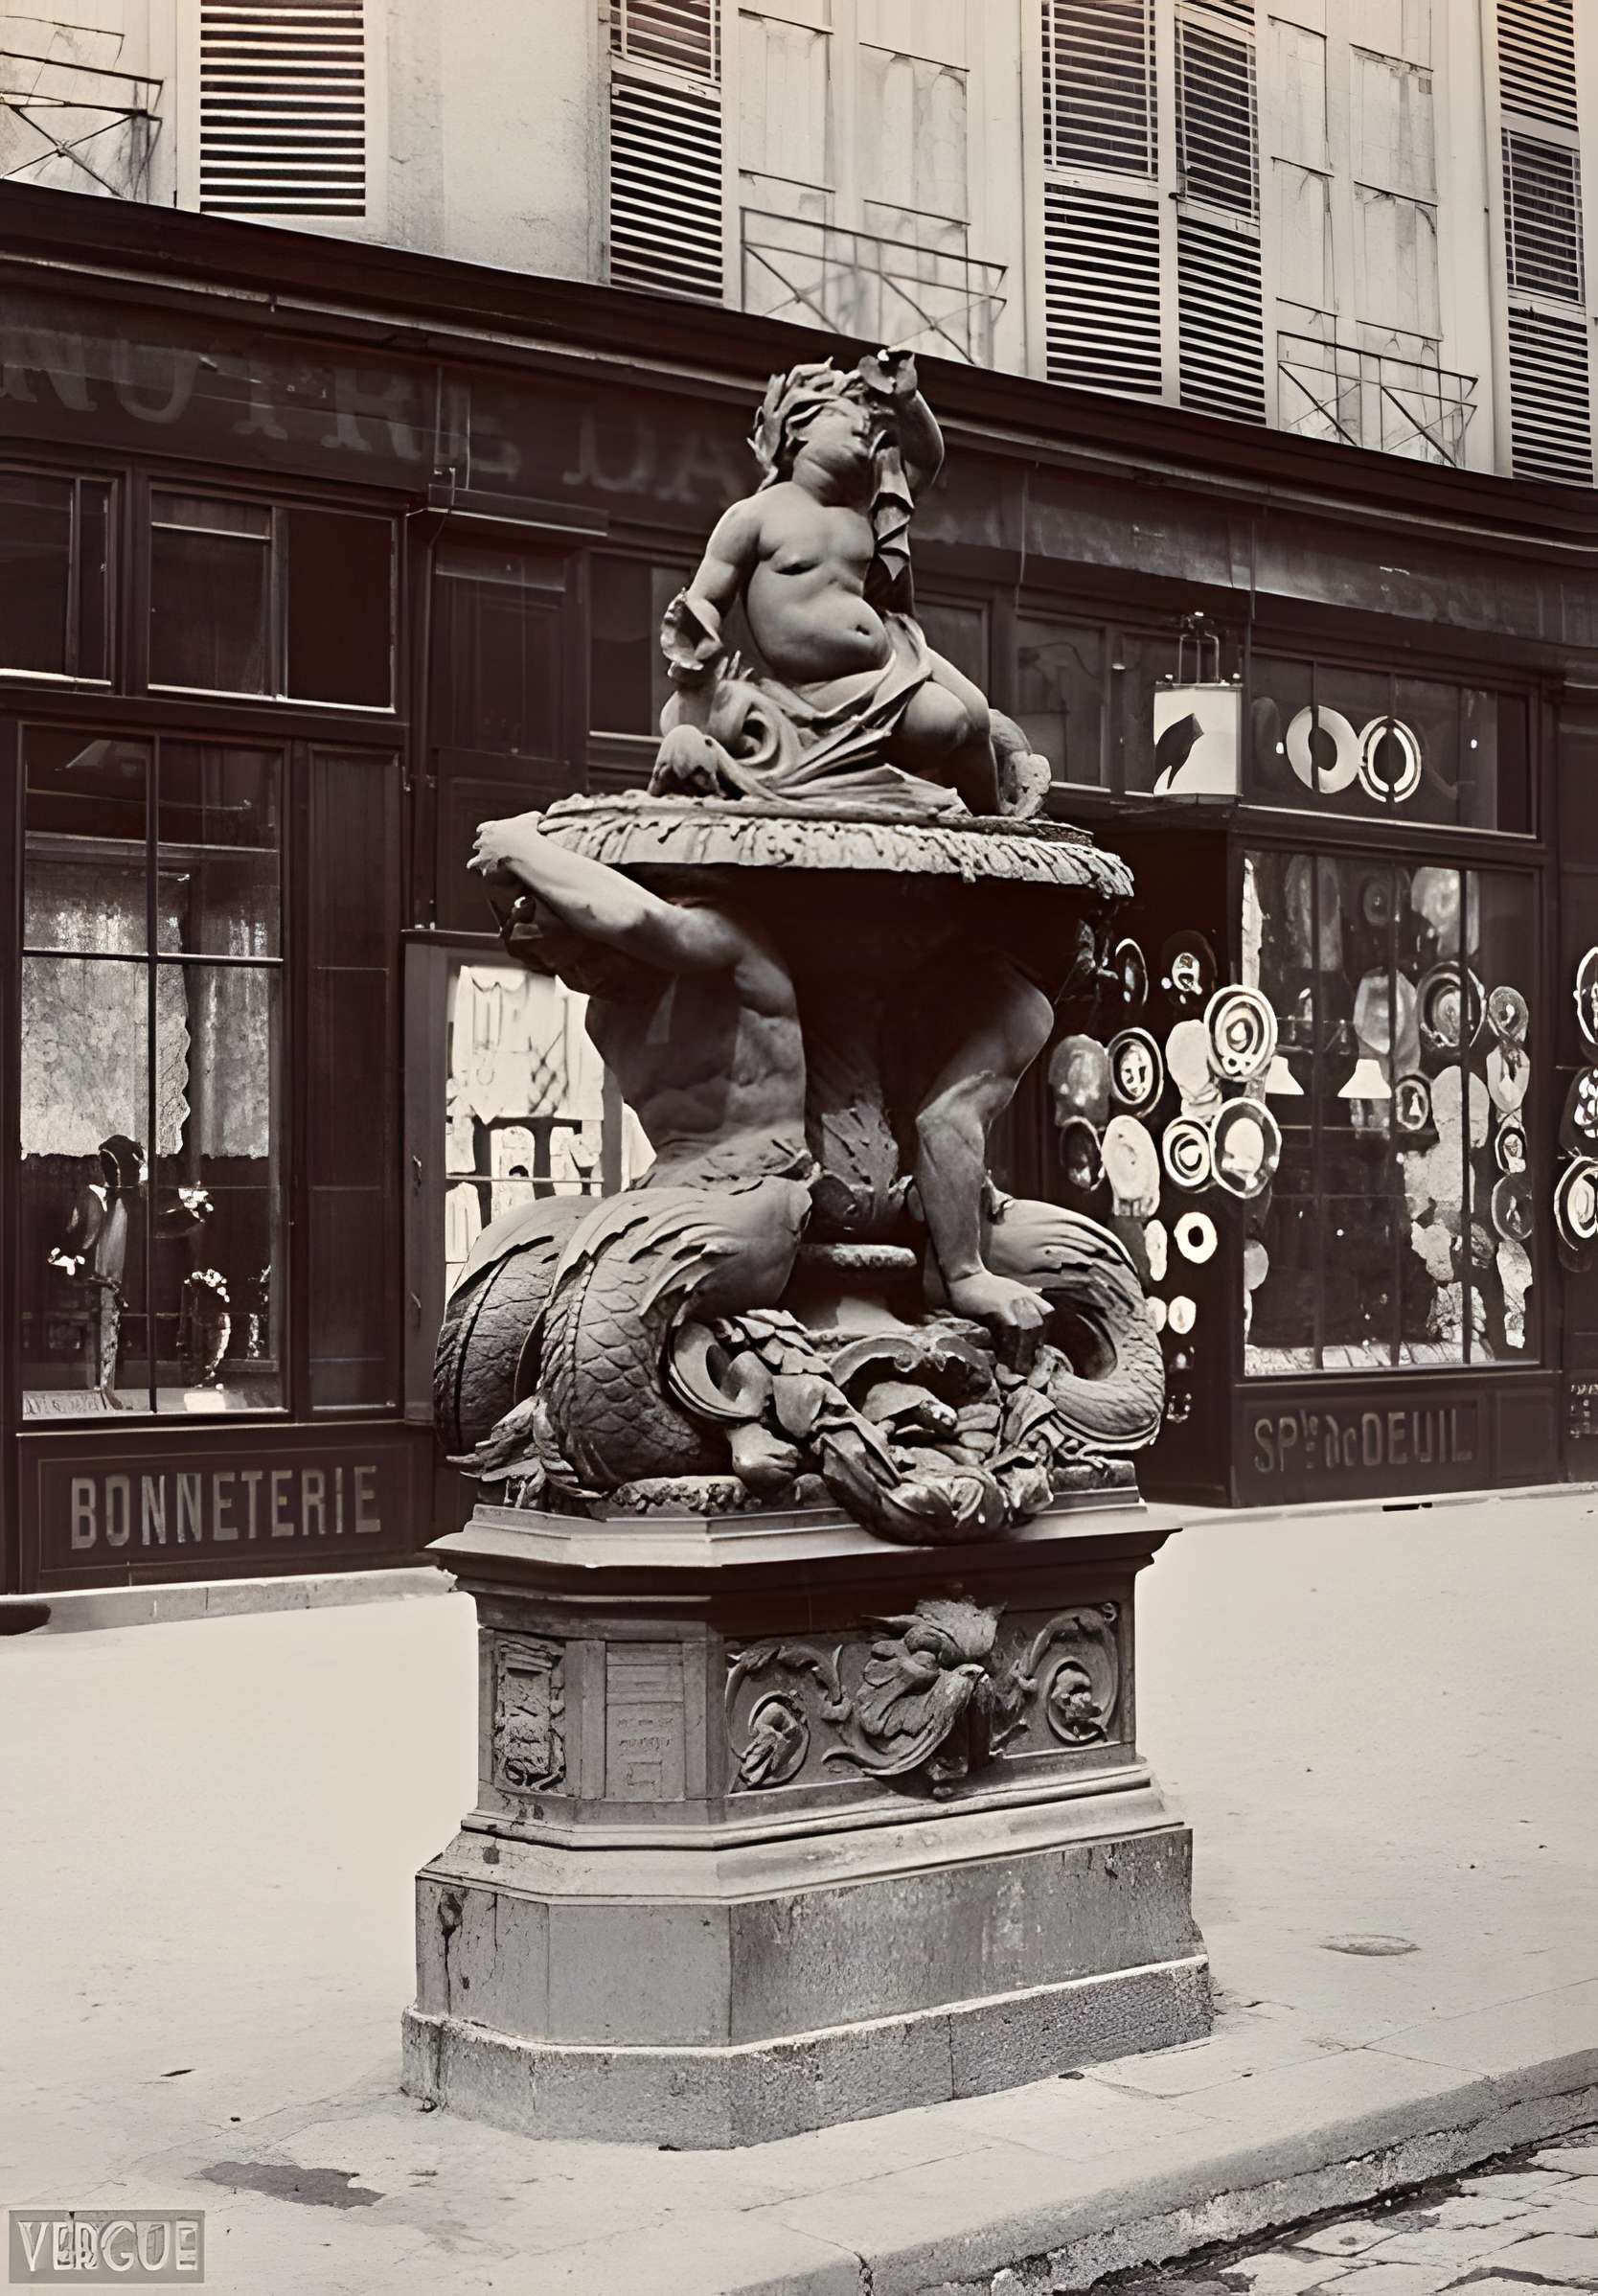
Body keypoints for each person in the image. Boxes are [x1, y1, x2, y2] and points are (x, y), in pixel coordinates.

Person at [654, 350, 1009, 816]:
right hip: (814, 684)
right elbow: (706, 596)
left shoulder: (864, 510)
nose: (866, 430)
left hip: (893, 653)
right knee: (944, 721)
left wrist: (908, 400)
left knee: (976, 710)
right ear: (799, 431)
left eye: (869, 422)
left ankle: (994, 816)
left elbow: (927, 456)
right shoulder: (756, 515)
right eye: (847, 418)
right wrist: (693, 649)